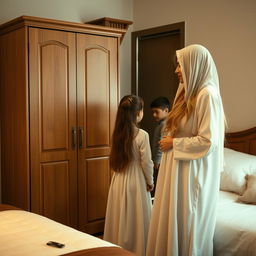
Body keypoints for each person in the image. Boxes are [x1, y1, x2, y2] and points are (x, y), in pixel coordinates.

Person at [147, 44, 225, 256]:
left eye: (180, 65)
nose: (176, 70)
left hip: (192, 173)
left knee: (187, 222)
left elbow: (209, 141)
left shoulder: (207, 95)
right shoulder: (186, 92)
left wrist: (174, 144)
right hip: (176, 169)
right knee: (172, 220)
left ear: (194, 65)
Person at [104, 95, 154, 256]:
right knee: (136, 218)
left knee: (119, 215)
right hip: (136, 180)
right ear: (138, 113)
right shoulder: (142, 135)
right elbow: (147, 163)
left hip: (118, 179)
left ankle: (117, 248)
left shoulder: (118, 134)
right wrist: (150, 181)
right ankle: (137, 250)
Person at [150, 96, 170, 196]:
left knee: (159, 185)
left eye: (156, 111)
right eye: (152, 112)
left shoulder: (165, 124)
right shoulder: (161, 124)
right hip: (158, 161)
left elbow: (161, 144)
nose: (154, 115)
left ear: (166, 110)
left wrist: (156, 161)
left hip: (160, 162)